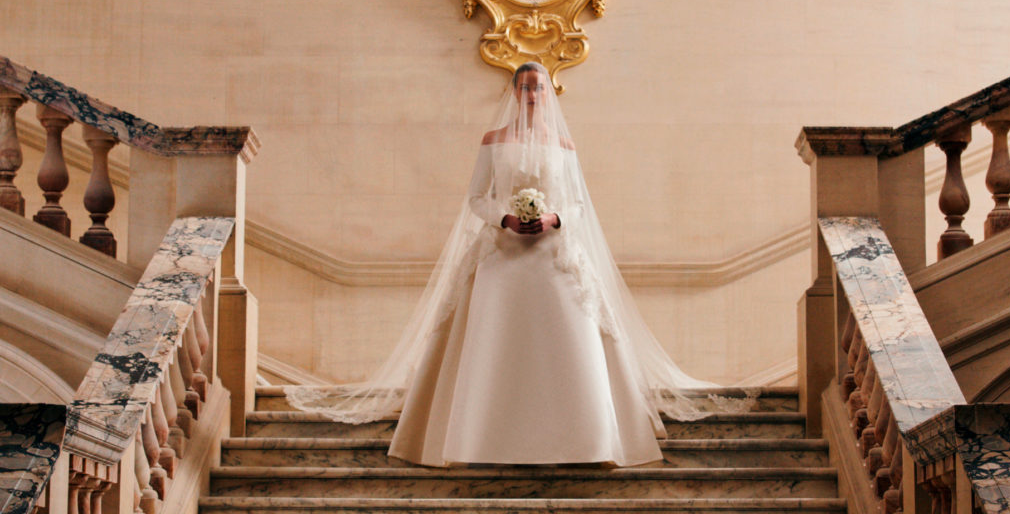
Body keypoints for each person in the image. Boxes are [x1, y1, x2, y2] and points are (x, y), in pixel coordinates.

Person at [286, 62, 714, 467]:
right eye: (525, 87)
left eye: (538, 88)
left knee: (570, 338)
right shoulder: (493, 141)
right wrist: (504, 218)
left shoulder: (564, 145)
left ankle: (587, 440)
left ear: (548, 94)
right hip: (502, 252)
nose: (531, 94)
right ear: (514, 91)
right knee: (490, 338)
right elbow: (476, 198)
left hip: (555, 254)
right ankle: (479, 438)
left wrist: (554, 218)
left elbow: (579, 204)